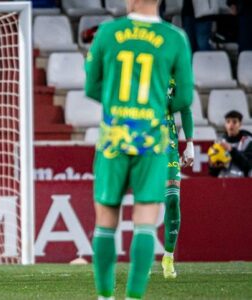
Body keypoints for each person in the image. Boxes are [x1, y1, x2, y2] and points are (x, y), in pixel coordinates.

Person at [85, 0, 194, 298]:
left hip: (114, 137)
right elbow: (184, 97)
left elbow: (91, 87)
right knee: (145, 219)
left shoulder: (108, 33)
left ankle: (105, 296)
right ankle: (134, 296)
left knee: (106, 219)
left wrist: (121, 105)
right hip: (153, 140)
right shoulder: (175, 38)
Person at [161, 79, 194, 279]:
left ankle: (168, 257)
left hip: (168, 146)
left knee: (172, 199)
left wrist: (189, 143)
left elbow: (184, 107)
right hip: (140, 143)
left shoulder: (174, 74)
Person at [209, 110, 252, 177]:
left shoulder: (248, 141)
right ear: (225, 124)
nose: (231, 125)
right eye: (228, 122)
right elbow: (212, 173)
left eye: (234, 122)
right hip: (223, 182)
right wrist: (215, 167)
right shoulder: (219, 142)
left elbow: (248, 165)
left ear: (240, 124)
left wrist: (231, 150)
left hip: (243, 182)